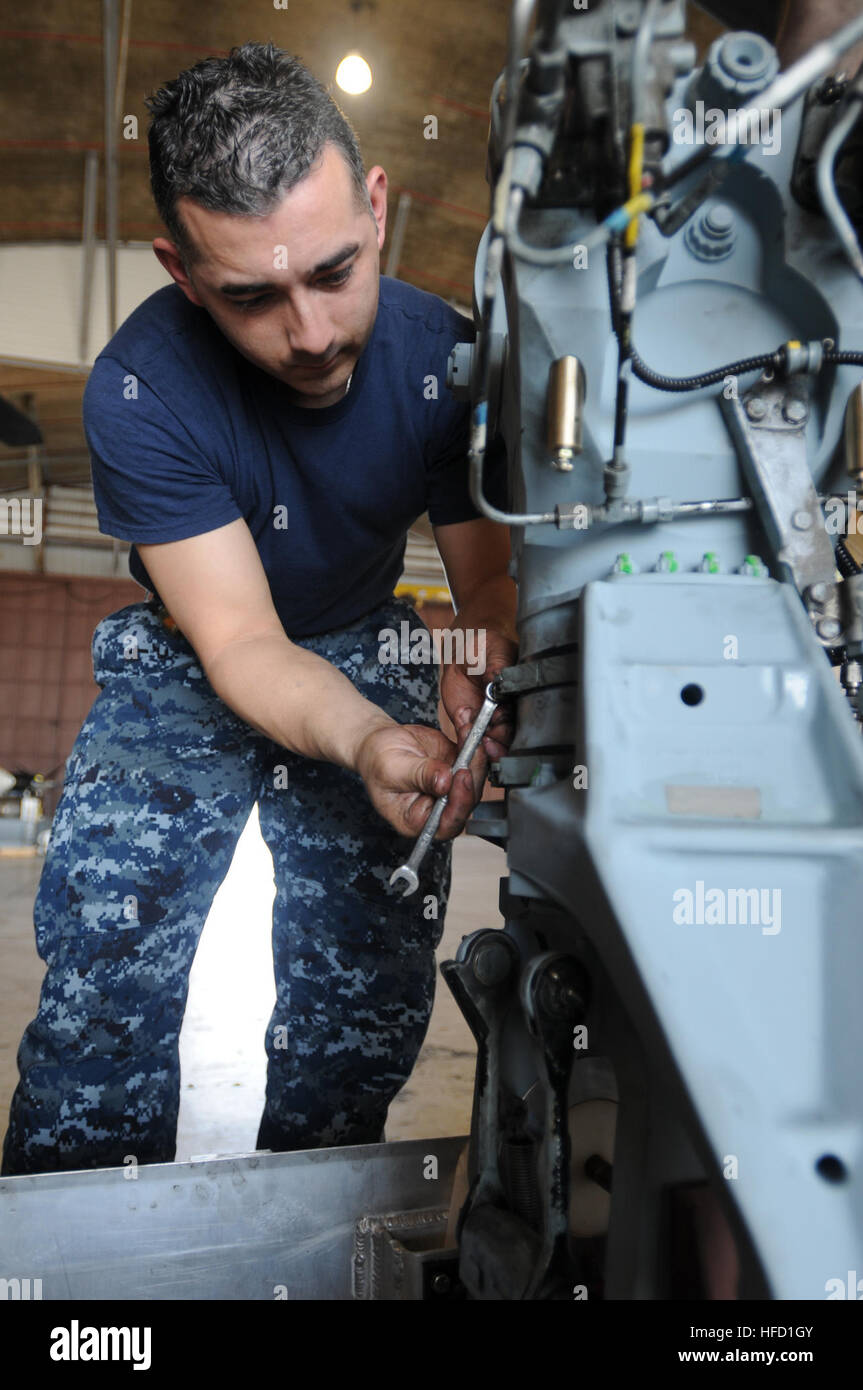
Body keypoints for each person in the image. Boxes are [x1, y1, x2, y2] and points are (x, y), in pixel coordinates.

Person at [1, 41, 517, 1176]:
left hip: (366, 625)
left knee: (365, 993)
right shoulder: (141, 393)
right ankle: (71, 1264)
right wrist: (361, 734)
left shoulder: (449, 364)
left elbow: (484, 582)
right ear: (181, 272)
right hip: (192, 654)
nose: (313, 334)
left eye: (333, 271)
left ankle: (317, 1231)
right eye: (251, 297)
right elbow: (237, 638)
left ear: (376, 206)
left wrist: (474, 661)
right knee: (104, 972)